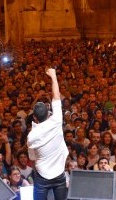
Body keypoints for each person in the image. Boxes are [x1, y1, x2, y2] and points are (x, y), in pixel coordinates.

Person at [27, 68, 69, 200]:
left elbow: (33, 158)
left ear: (34, 117)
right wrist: (53, 76)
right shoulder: (56, 120)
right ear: (49, 112)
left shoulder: (31, 135)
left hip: (42, 177)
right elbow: (56, 97)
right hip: (59, 174)